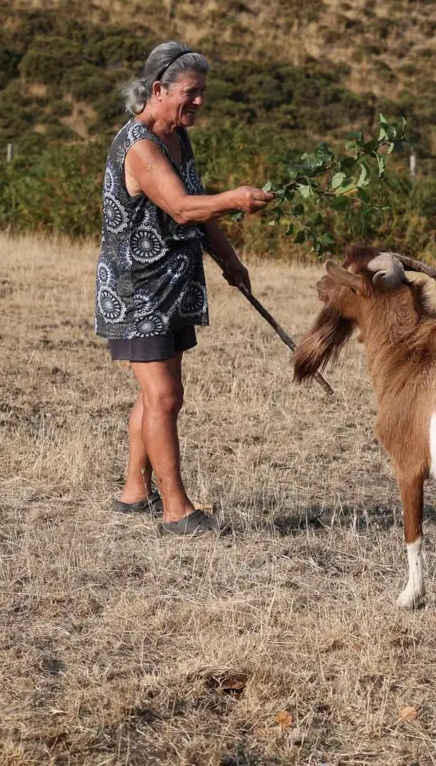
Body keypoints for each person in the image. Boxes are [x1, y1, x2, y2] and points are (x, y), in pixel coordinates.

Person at [95, 41, 273, 535]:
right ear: (158, 90)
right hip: (138, 292)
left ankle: (135, 492)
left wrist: (230, 260)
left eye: (202, 94)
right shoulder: (142, 147)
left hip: (171, 287)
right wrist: (236, 198)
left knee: (159, 396)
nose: (198, 102)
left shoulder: (177, 138)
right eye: (190, 94)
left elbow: (197, 204)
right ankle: (177, 511)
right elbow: (181, 207)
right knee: (164, 396)